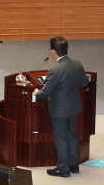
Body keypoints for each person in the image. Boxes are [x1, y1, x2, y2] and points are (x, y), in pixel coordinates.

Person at [33, 37, 90, 177]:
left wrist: (36, 93)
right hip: (74, 107)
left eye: (50, 49)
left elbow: (45, 92)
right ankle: (73, 165)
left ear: (54, 51)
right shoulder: (77, 64)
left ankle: (63, 169)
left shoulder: (55, 69)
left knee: (61, 138)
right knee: (72, 135)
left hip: (60, 110)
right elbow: (84, 82)